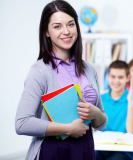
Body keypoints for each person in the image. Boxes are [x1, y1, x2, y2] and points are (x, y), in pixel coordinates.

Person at [15, 1, 107, 160]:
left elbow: (101, 122)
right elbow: (22, 123)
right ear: (47, 32)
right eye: (57, 26)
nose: (66, 31)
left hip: (86, 149)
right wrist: (68, 129)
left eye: (70, 24)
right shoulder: (40, 71)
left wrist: (96, 113)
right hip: (53, 151)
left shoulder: (89, 69)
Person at [95, 60, 133, 160]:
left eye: (120, 77)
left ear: (128, 78)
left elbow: (131, 130)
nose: (116, 81)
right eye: (113, 77)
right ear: (108, 76)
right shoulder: (99, 99)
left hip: (124, 152)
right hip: (100, 148)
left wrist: (130, 101)